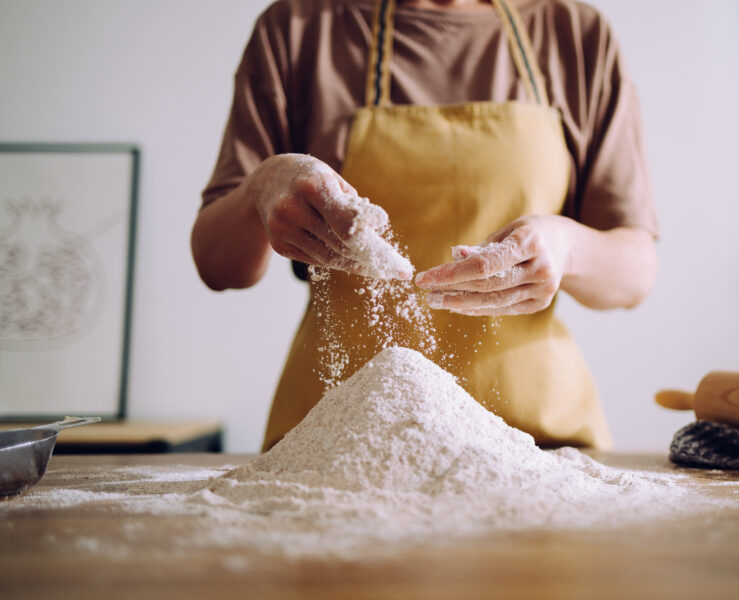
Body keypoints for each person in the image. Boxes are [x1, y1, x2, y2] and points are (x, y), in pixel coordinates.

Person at [192, 0, 659, 451]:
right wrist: (263, 186)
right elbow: (217, 266)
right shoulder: (297, 28)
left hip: (536, 445)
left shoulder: (574, 35)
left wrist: (564, 248)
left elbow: (635, 271)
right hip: (338, 446)